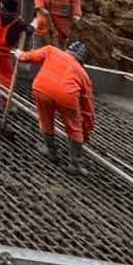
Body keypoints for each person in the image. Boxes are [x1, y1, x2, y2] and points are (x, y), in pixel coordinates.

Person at [14, 40, 95, 174]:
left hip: (41, 88)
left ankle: (50, 150)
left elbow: (31, 56)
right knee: (74, 127)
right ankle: (75, 165)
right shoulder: (83, 75)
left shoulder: (51, 50)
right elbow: (87, 107)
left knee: (45, 119)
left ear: (68, 50)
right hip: (66, 97)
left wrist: (20, 54)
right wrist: (86, 130)